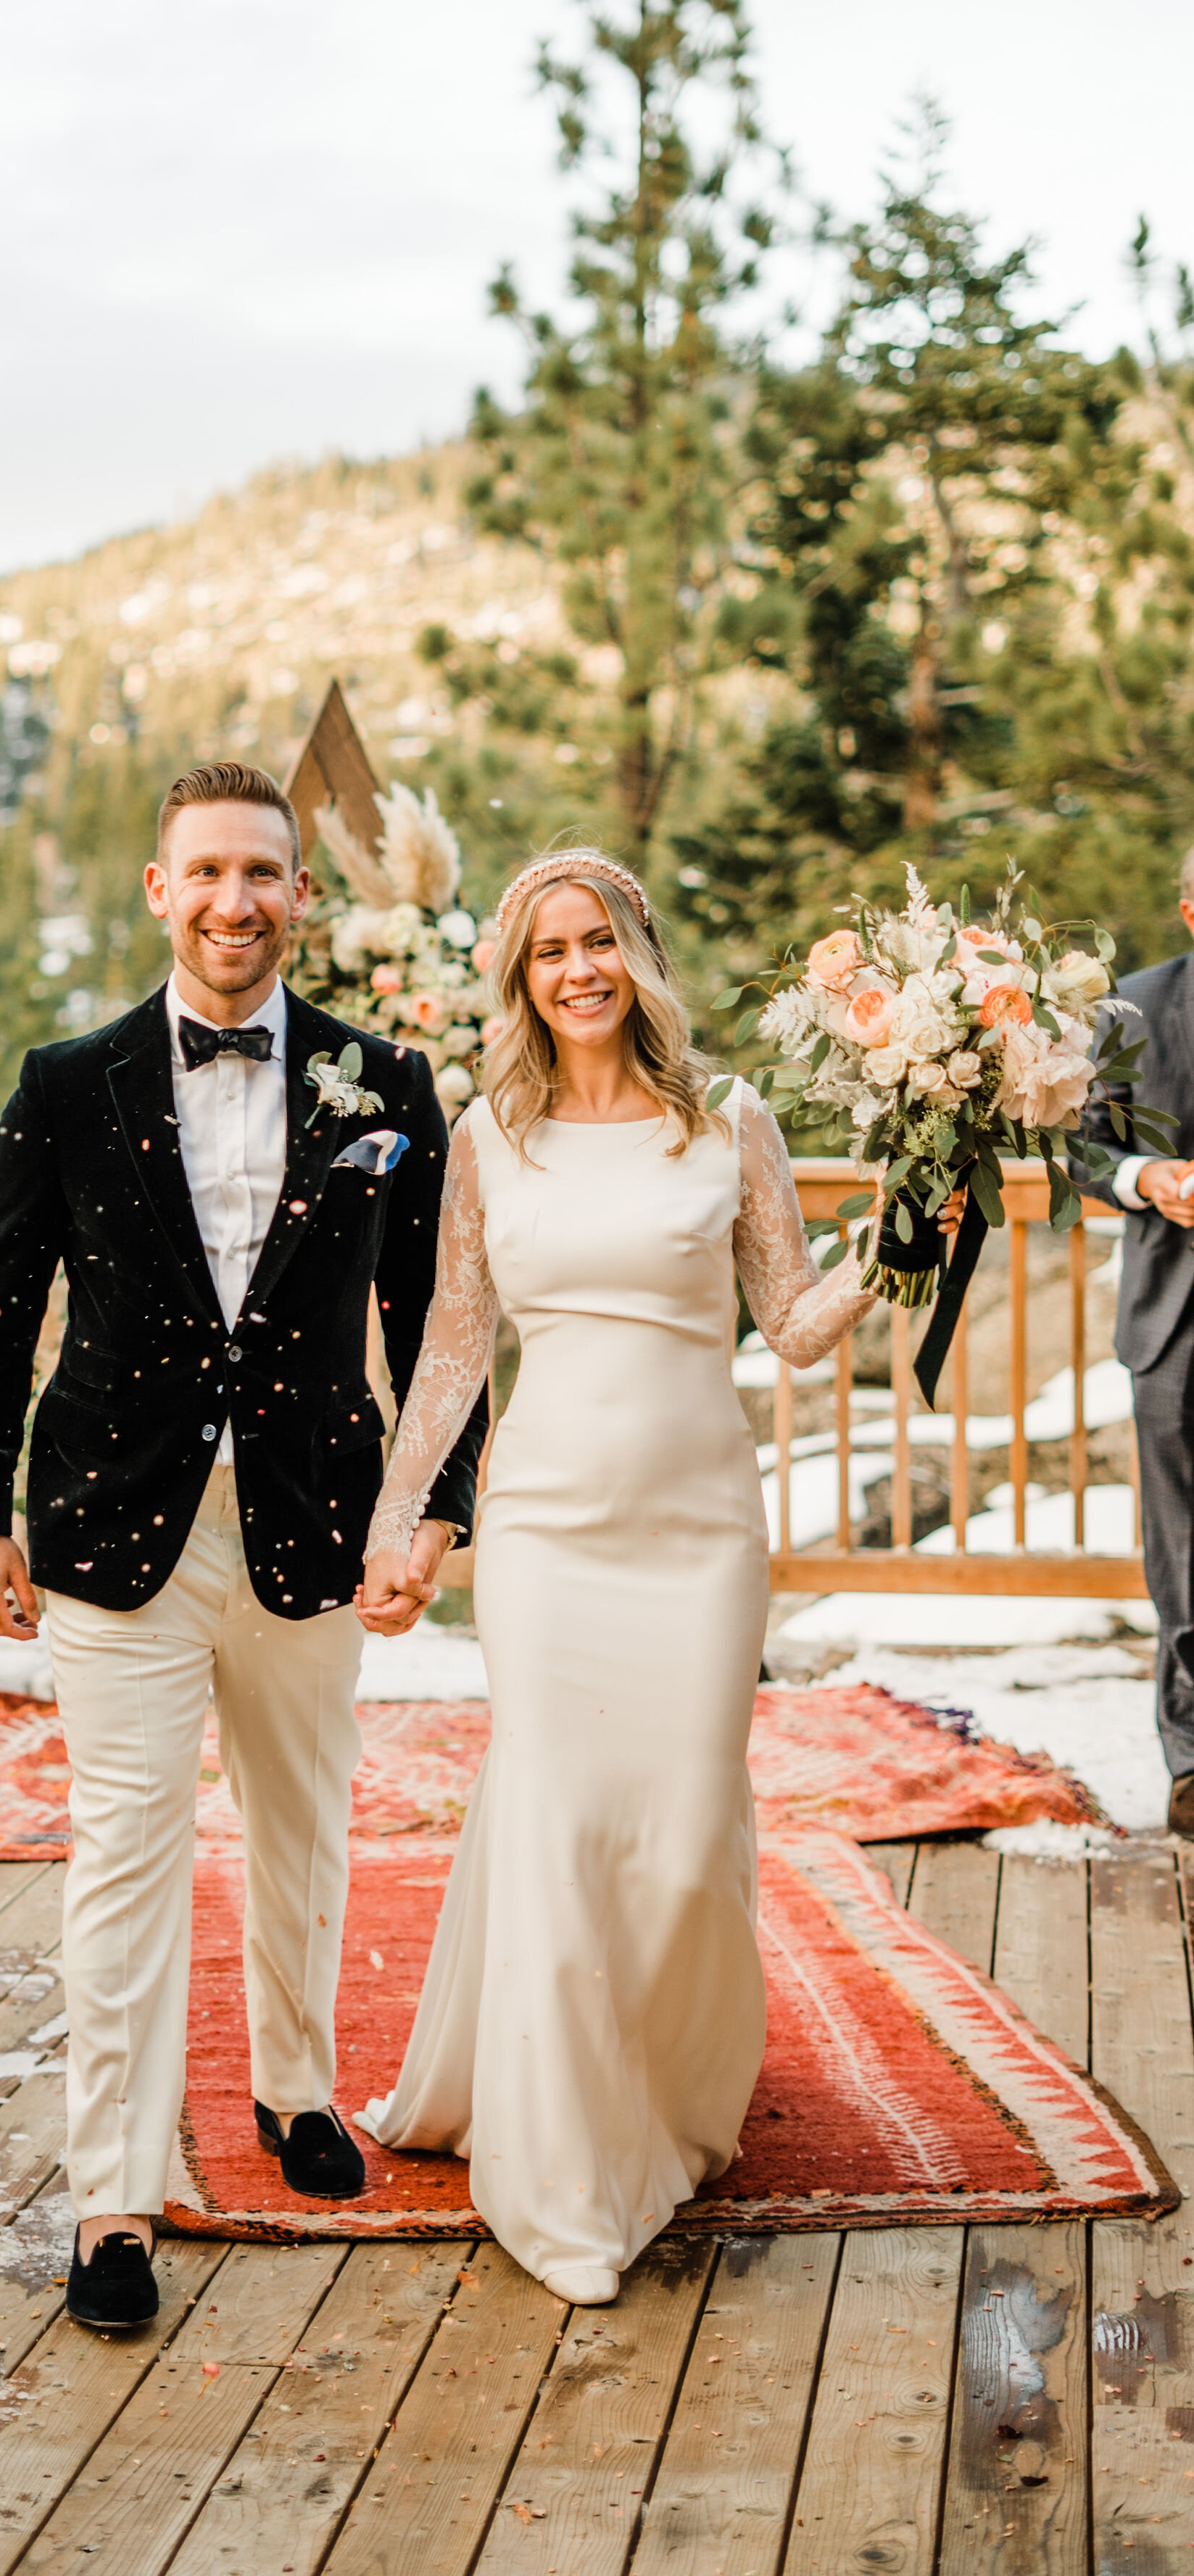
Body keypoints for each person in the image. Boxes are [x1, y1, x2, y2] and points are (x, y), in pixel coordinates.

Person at [355, 850, 959, 2305]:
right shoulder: (490, 1137)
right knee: (565, 1830)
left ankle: (673, 2107)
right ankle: (561, 2176)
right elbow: (451, 1347)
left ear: (637, 952)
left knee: (682, 1843)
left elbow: (790, 1324)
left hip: (697, 1532)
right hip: (549, 1531)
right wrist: (400, 1518)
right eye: (550, 950)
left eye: (600, 941)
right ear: (520, 978)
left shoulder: (726, 1120)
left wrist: (892, 1248)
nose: (578, 970)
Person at [0, 760, 484, 2332]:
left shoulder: (384, 1082)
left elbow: (440, 1321)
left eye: (266, 872)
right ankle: (113, 2193)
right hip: (118, 1522)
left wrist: (435, 1507)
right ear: (158, 890)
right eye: (208, 872)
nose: (236, 900)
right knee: (125, 1858)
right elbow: (0, 1304)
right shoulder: (64, 1082)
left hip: (315, 1513)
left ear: (303, 894)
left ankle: (296, 2085)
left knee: (306, 1824)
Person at [1073, 842, 1194, 1834]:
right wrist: (1148, 1182)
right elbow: (1079, 1142)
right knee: (1183, 1553)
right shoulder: (1133, 1008)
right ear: (1191, 914)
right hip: (1175, 1321)